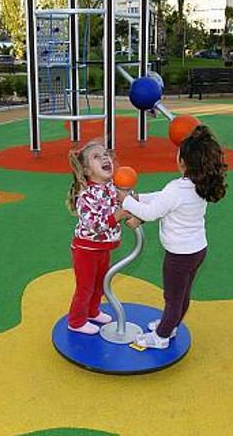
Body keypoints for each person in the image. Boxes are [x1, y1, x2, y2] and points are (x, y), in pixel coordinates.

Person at [119, 125, 228, 349]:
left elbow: (152, 213)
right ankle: (172, 324)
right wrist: (140, 197)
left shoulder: (177, 189)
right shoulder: (200, 185)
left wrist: (126, 200)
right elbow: (162, 199)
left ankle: (161, 337)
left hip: (179, 256)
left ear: (182, 162)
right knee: (183, 294)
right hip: (198, 250)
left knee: (173, 298)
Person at [66, 139, 132, 335]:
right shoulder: (85, 195)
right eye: (97, 156)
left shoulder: (111, 187)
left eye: (105, 154)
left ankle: (93, 312)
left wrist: (130, 197)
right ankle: (76, 321)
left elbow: (120, 199)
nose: (105, 157)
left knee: (100, 283)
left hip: (103, 248)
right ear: (87, 170)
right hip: (86, 249)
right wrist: (117, 215)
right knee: (85, 287)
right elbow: (94, 224)